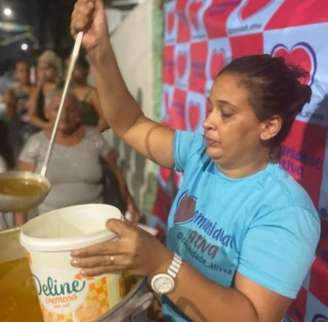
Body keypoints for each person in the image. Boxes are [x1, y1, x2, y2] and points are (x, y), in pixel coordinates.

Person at [70, 1, 320, 322]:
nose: (208, 122)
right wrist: (98, 48)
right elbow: (130, 124)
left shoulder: (286, 212)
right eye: (210, 107)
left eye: (226, 113)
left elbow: (252, 318)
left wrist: (161, 263)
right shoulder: (200, 153)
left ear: (269, 126)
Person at [16, 90, 140, 225]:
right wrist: (19, 230)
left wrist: (130, 203)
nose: (64, 115)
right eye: (57, 109)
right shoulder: (36, 144)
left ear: (78, 113)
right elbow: (21, 192)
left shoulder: (94, 138)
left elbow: (117, 172)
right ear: (47, 113)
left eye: (70, 109)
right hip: (52, 226)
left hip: (95, 223)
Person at [65, 54, 107, 131]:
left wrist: (90, 136)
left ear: (85, 70)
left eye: (75, 68)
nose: (71, 72)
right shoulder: (66, 93)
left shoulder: (92, 93)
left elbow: (106, 121)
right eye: (68, 68)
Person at [3, 60, 34, 157]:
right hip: (18, 133)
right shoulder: (12, 91)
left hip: (33, 131)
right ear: (16, 74)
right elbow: (9, 116)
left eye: (27, 71)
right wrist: (10, 103)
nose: (25, 74)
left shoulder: (37, 89)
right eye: (21, 71)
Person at [27, 50, 62, 132]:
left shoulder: (62, 86)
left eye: (46, 68)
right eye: (40, 69)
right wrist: (47, 126)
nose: (42, 72)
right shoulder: (36, 90)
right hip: (43, 131)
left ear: (55, 70)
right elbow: (31, 115)